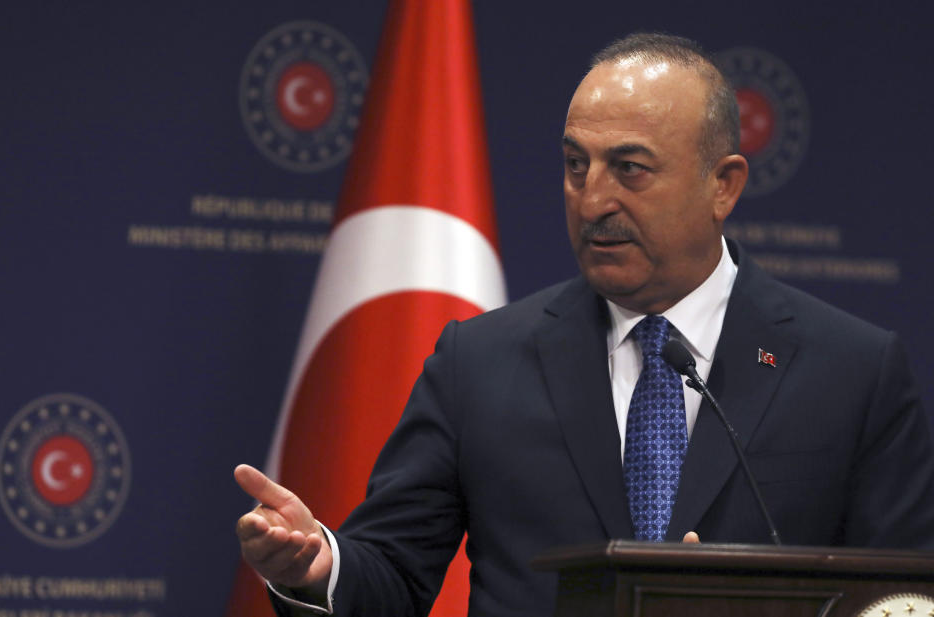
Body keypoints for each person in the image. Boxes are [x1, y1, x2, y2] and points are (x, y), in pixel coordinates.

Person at [234, 33, 934, 616]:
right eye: (577, 165)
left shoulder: (853, 370)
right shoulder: (476, 361)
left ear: (723, 185)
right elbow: (392, 570)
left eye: (630, 169)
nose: (592, 198)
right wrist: (320, 565)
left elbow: (903, 601)